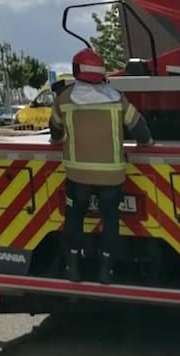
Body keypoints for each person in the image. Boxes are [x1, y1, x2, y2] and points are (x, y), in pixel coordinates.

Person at [50, 49, 151, 284]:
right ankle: (106, 271)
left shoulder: (64, 98)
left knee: (74, 217)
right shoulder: (116, 97)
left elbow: (55, 128)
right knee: (111, 219)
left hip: (78, 175)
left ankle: (73, 268)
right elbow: (139, 126)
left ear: (77, 71)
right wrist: (146, 142)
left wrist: (56, 140)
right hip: (112, 177)